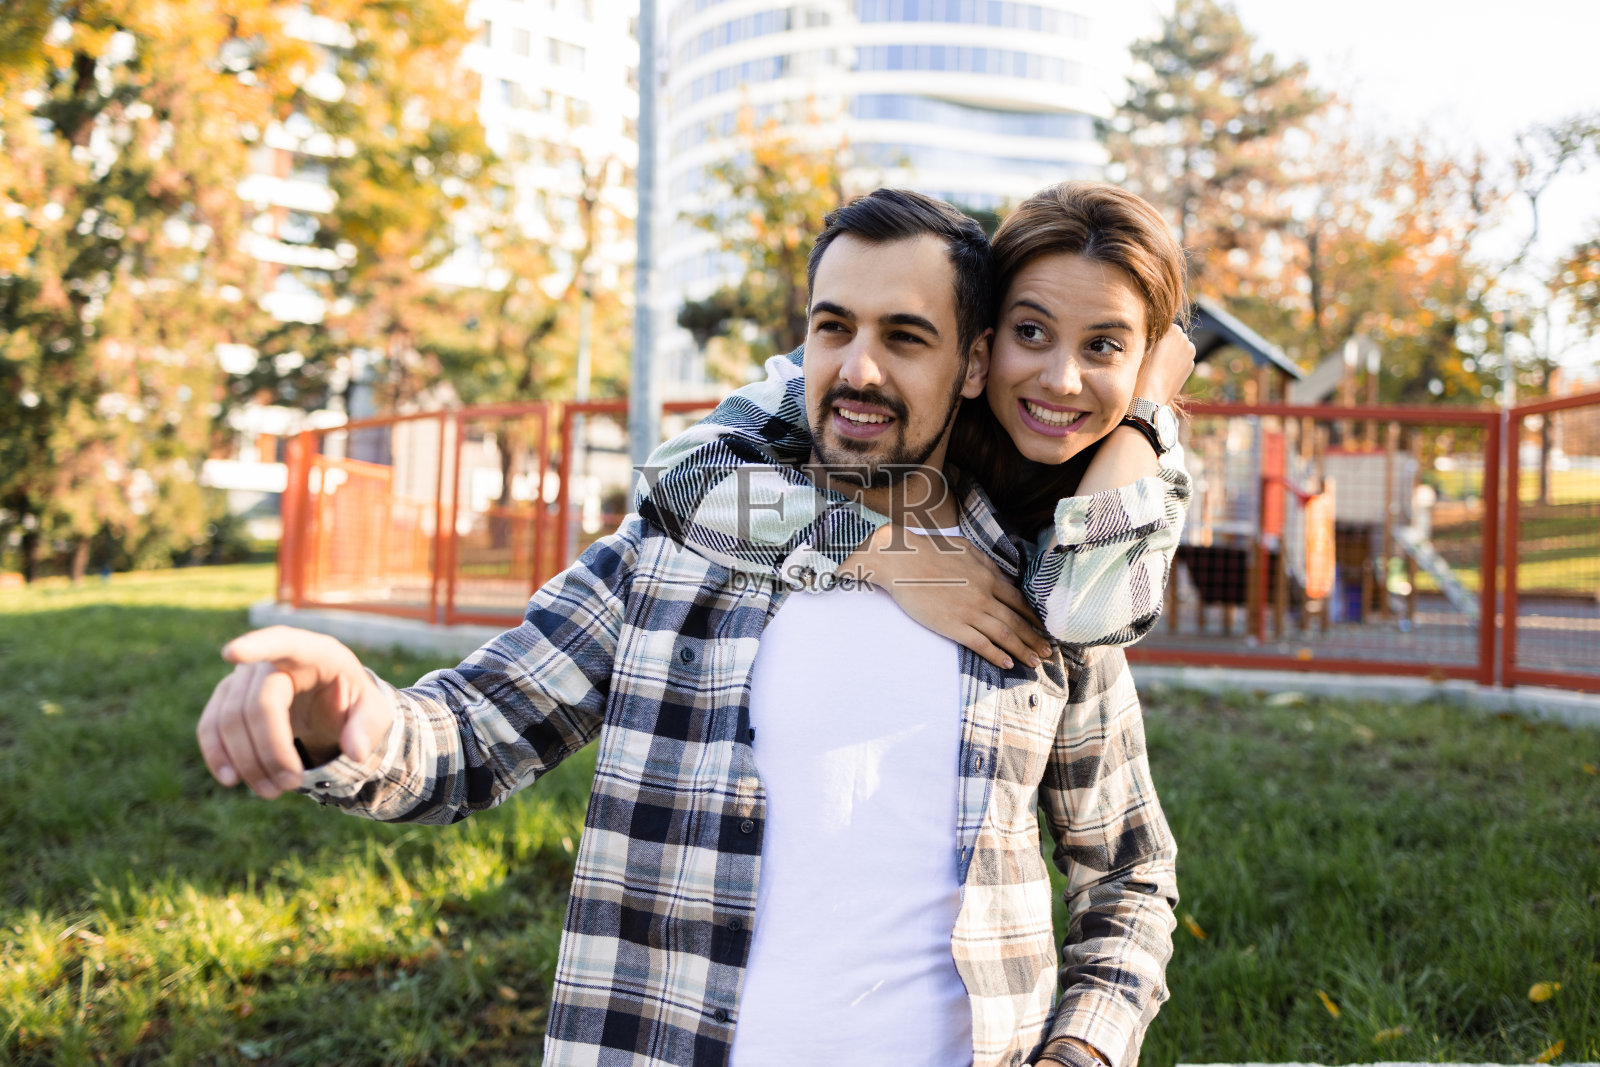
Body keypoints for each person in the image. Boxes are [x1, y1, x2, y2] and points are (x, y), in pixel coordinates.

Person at [197, 189, 1177, 1067]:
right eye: (834, 327)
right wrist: (345, 708)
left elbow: (1129, 876)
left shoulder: (1042, 593)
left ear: (971, 365)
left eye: (906, 337)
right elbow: (464, 738)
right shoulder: (679, 548)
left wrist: (1084, 1048)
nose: (860, 367)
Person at [640, 180, 1195, 671]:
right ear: (980, 341)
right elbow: (672, 475)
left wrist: (1143, 417)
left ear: (1146, 362)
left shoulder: (1146, 457)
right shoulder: (880, 376)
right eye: (1030, 331)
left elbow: (1080, 612)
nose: (1062, 380)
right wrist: (888, 553)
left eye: (1103, 346)